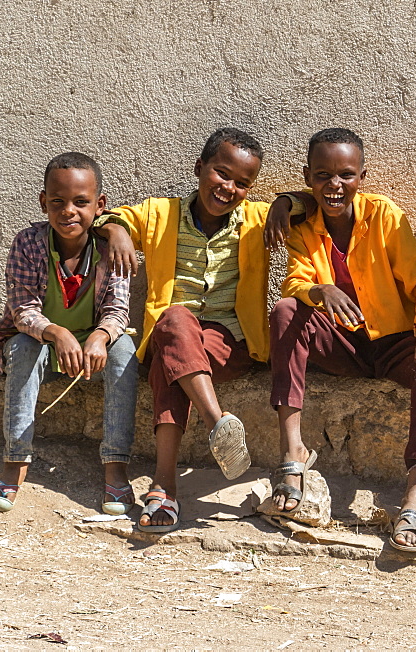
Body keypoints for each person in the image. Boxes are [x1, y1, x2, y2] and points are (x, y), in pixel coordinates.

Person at [97, 128, 304, 533]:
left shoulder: (257, 220)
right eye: (221, 174)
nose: (229, 188)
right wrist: (117, 229)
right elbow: (107, 216)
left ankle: (165, 485)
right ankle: (216, 422)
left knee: (171, 361)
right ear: (199, 168)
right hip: (174, 333)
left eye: (243, 183)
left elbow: (311, 202)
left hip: (230, 343)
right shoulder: (161, 214)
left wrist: (284, 201)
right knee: (174, 321)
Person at [268, 127, 416, 552]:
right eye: (322, 175)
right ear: (307, 177)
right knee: (284, 313)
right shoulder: (302, 227)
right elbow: (295, 280)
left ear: (361, 177)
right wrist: (320, 290)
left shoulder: (384, 215)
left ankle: (413, 500)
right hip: (343, 345)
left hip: (394, 342)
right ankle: (292, 454)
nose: (334, 186)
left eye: (346, 175)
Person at [0, 152, 138, 514]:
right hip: (43, 344)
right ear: (43, 203)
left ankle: (115, 468)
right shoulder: (28, 244)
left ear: (100, 205)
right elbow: (23, 312)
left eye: (81, 202)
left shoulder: (109, 249)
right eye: (57, 202)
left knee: (125, 348)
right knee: (23, 347)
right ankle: (14, 462)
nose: (68, 211)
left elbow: (117, 311)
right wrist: (56, 333)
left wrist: (99, 337)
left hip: (92, 351)